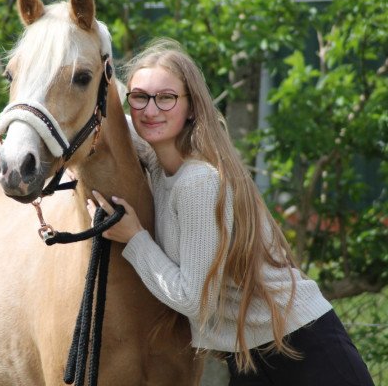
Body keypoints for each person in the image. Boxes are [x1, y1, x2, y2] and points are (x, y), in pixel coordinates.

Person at [87, 39, 374, 385]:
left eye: (166, 98)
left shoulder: (197, 183)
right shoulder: (162, 168)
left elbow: (193, 300)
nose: (150, 110)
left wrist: (135, 239)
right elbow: (100, 117)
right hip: (250, 358)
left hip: (305, 354)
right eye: (140, 97)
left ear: (191, 107)